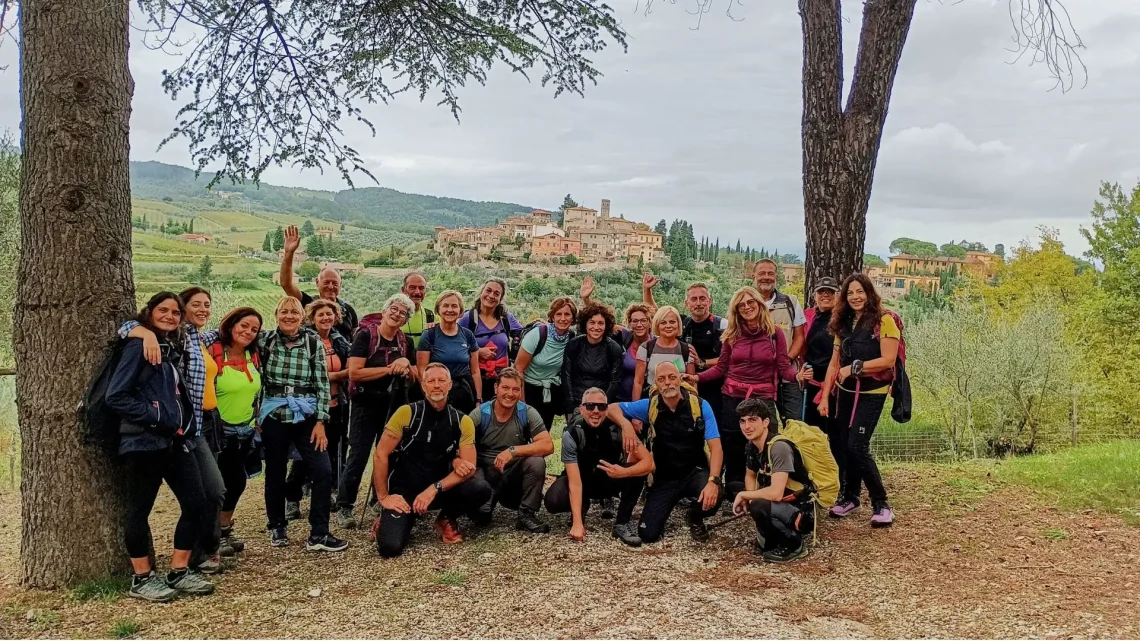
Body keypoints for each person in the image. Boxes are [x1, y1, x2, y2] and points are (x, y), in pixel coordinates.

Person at [207, 296, 347, 551]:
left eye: (294, 312)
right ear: (276, 314)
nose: (289, 316)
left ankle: (319, 532)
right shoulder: (265, 341)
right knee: (275, 471)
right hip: (274, 416)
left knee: (322, 469)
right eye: (284, 311)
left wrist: (321, 421)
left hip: (306, 415)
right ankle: (277, 526)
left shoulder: (312, 342)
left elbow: (322, 383)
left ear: (302, 316)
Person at [107, 292, 215, 602]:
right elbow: (116, 397)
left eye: (174, 312)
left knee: (196, 501)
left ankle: (178, 571)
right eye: (162, 310)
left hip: (174, 438)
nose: (169, 316)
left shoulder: (169, 347)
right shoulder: (138, 345)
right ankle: (141, 578)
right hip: (143, 441)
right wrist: (158, 417)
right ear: (150, 312)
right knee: (140, 509)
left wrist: (175, 422)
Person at [372, 364, 493, 557]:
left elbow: (469, 467)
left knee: (480, 487)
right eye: (431, 381)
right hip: (405, 492)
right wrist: (384, 497)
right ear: (423, 386)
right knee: (390, 548)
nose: (436, 385)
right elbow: (380, 454)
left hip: (439, 490)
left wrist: (433, 489)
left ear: (450, 385)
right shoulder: (407, 413)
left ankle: (446, 518)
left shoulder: (462, 421)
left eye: (441, 380)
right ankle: (391, 519)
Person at [690, 286, 797, 500]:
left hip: (763, 397)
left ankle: (768, 490)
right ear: (736, 310)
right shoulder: (732, 334)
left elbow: (784, 366)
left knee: (768, 444)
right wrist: (696, 378)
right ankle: (734, 489)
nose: (747, 307)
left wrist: (798, 377)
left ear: (759, 304)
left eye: (751, 303)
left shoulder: (774, 334)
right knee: (733, 443)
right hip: (733, 396)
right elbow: (721, 367)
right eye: (742, 305)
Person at [608, 362, 723, 543]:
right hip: (665, 477)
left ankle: (694, 516)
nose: (668, 383)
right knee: (648, 534)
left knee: (715, 495)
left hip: (695, 472)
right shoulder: (650, 406)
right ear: (655, 383)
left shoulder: (700, 406)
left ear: (680, 379)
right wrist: (626, 426)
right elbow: (611, 408)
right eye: (661, 379)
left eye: (672, 377)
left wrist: (713, 481)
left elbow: (715, 447)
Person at [820, 273, 899, 527]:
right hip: (844, 393)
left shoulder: (885, 321)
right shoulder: (842, 323)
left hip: (871, 393)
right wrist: (824, 397)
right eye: (850, 293)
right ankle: (850, 497)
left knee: (857, 446)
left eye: (860, 292)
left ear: (869, 293)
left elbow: (888, 359)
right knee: (843, 444)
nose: (855, 297)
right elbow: (834, 363)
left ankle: (881, 503)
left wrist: (854, 368)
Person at [337, 294, 418, 529]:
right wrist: (390, 369)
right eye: (394, 309)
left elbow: (414, 377)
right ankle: (345, 505)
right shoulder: (365, 336)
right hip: (365, 403)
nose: (397, 314)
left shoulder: (405, 342)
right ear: (384, 310)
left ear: (405, 320)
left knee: (390, 454)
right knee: (359, 453)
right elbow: (354, 373)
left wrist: (405, 366)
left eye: (402, 313)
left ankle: (378, 498)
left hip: (394, 404)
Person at [545, 388, 652, 546]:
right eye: (590, 406)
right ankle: (581, 508)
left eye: (601, 406)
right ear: (581, 409)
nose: (596, 411)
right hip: (582, 480)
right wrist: (577, 524)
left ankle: (622, 523)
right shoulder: (572, 432)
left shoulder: (620, 429)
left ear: (607, 409)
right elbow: (574, 481)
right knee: (553, 501)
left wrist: (625, 471)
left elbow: (648, 463)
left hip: (611, 479)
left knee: (638, 471)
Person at [284, 300, 353, 520]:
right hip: (309, 407)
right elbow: (308, 376)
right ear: (312, 318)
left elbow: (351, 367)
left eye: (330, 315)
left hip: (336, 404)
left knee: (331, 453)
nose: (326, 318)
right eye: (321, 315)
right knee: (306, 455)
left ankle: (323, 495)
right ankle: (292, 498)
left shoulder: (339, 341)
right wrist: (337, 375)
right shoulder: (303, 340)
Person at [466, 369, 554, 533]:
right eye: (505, 388)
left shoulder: (526, 412)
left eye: (515, 389)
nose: (510, 394)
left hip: (513, 475)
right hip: (486, 474)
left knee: (536, 462)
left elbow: (548, 445)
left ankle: (526, 514)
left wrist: (513, 451)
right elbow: (463, 449)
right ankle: (482, 503)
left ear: (520, 391)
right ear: (495, 388)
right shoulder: (479, 414)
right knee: (479, 519)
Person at [207, 307, 263, 561]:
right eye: (244, 326)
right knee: (216, 486)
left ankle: (224, 529)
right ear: (231, 325)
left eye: (254, 329)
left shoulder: (254, 354)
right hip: (220, 431)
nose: (248, 332)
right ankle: (209, 537)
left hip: (245, 429)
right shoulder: (214, 352)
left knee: (237, 482)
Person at [729, 399, 816, 562]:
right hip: (781, 501)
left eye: (753, 420)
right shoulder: (752, 446)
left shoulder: (779, 447)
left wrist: (747, 496)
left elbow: (776, 493)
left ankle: (795, 545)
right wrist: (747, 496)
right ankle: (773, 534)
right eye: (743, 421)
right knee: (732, 488)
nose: (746, 426)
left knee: (758, 504)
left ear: (766, 422)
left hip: (800, 508)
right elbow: (750, 475)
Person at [799, 277, 844, 488]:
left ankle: (839, 479)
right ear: (814, 295)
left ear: (837, 295)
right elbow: (800, 347)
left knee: (835, 435)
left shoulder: (843, 318)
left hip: (837, 386)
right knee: (812, 433)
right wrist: (801, 369)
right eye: (821, 292)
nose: (825, 295)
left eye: (830, 292)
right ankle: (815, 476)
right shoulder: (809, 317)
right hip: (811, 383)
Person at [279, 225, 359, 339]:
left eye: (335, 283)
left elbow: (356, 340)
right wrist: (288, 253)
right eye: (326, 282)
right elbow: (286, 284)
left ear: (340, 286)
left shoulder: (349, 310)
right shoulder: (306, 303)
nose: (331, 286)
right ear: (317, 282)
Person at [753, 258, 807, 421]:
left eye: (770, 273)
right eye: (762, 273)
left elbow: (799, 337)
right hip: (758, 377)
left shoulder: (791, 302)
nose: (766, 277)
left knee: (794, 424)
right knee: (764, 426)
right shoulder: (746, 304)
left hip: (788, 375)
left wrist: (785, 361)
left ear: (776, 277)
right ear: (753, 276)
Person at [515, 296, 576, 431]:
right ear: (552, 316)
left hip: (551, 390)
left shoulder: (572, 338)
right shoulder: (538, 335)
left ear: (573, 318)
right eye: (558, 314)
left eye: (567, 314)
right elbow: (518, 369)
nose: (563, 318)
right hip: (530, 389)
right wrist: (522, 404)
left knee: (543, 432)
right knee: (526, 432)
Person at [417, 290, 481, 413]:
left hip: (464, 393)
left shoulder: (468, 335)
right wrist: (428, 396)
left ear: (460, 311)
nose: (450, 310)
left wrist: (478, 399)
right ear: (438, 309)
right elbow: (422, 370)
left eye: (454, 306)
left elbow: (475, 371)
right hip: (437, 393)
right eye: (445, 305)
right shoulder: (429, 335)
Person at [461, 277, 523, 392]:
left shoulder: (506, 319)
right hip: (475, 378)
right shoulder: (468, 318)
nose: (491, 296)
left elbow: (524, 334)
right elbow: (456, 343)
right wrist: (478, 351)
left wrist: (539, 324)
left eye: (496, 293)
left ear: (500, 298)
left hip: (501, 380)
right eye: (488, 291)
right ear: (481, 292)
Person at [562, 303, 624, 409]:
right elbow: (566, 375)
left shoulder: (613, 348)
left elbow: (615, 381)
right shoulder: (574, 344)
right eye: (592, 323)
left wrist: (603, 405)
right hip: (577, 402)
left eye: (600, 323)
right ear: (585, 324)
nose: (596, 327)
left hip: (601, 403)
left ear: (606, 325)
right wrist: (571, 404)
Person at [631, 305, 695, 401]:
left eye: (672, 322)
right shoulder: (646, 348)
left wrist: (694, 406)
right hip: (653, 402)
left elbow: (692, 382)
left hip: (680, 404)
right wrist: (635, 409)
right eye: (663, 322)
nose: (668, 326)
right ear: (657, 325)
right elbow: (638, 382)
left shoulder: (686, 349)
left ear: (678, 324)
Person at [613, 304, 654, 403]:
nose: (639, 325)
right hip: (622, 398)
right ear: (629, 323)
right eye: (635, 321)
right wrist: (586, 300)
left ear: (650, 323)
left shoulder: (657, 343)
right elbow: (602, 321)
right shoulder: (626, 336)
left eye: (643, 320)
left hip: (650, 399)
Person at [399, 271, 435, 348]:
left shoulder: (431, 316)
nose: (417, 292)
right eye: (412, 288)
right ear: (403, 290)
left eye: (421, 288)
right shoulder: (394, 316)